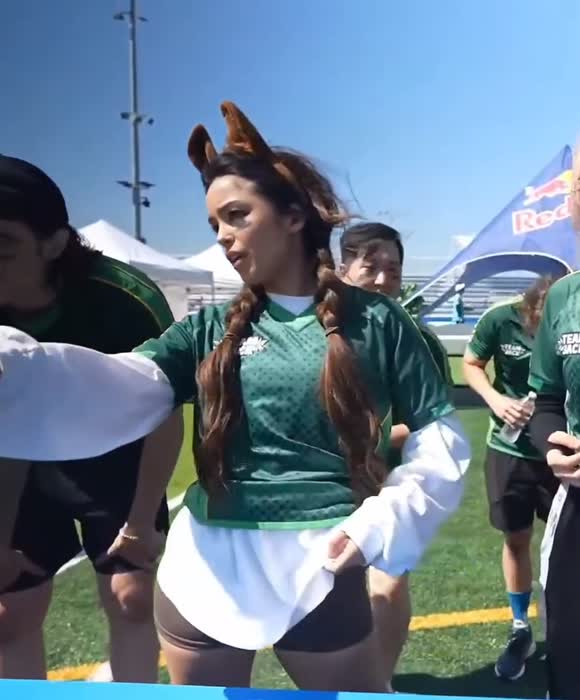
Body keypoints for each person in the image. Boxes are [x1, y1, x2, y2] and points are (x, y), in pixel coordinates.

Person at [0, 102, 471, 691]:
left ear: (294, 215)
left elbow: (439, 441)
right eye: (214, 224)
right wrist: (20, 367)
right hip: (204, 576)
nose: (223, 236)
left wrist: (383, 519)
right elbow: (125, 386)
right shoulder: (210, 327)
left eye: (236, 215)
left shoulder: (378, 322)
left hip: (321, 564)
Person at [0, 155, 184, 682]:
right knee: (9, 616)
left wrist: (141, 521)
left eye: (3, 245)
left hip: (118, 457)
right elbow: (5, 428)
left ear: (54, 243)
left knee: (131, 597)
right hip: (22, 462)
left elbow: (163, 411)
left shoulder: (124, 300)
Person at [340, 221, 453, 690]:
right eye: (372, 267)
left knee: (387, 583)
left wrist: (370, 440)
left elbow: (433, 422)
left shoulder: (416, 338)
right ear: (343, 268)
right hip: (317, 487)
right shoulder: (314, 332)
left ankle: (380, 685)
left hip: (388, 483)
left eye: (394, 270)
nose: (384, 280)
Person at [462, 277, 559, 682]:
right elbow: (471, 364)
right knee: (516, 538)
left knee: (567, 546)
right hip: (510, 451)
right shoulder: (500, 318)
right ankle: (521, 628)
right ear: (529, 310)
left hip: (563, 454)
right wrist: (497, 400)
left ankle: (565, 628)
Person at [527, 149, 580, 700]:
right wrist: (553, 448)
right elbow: (546, 401)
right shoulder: (564, 295)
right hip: (577, 506)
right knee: (568, 654)